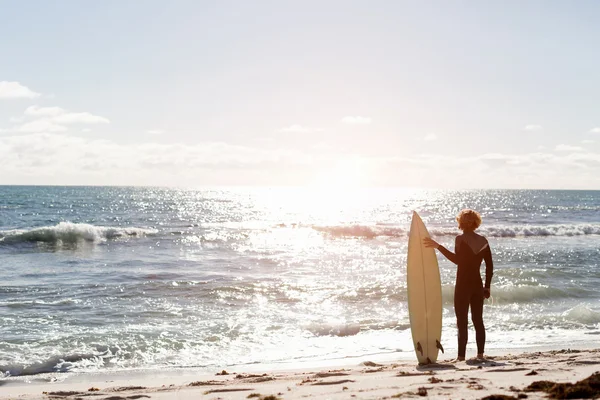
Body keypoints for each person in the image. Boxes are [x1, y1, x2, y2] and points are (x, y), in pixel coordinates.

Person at [423, 209, 493, 361]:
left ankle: (461, 357)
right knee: (478, 320)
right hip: (477, 284)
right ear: (476, 223)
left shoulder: (460, 240)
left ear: (460, 223)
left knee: (462, 321)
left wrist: (438, 246)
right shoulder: (483, 241)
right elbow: (489, 266)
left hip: (463, 285)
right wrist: (487, 287)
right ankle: (480, 355)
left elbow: (457, 260)